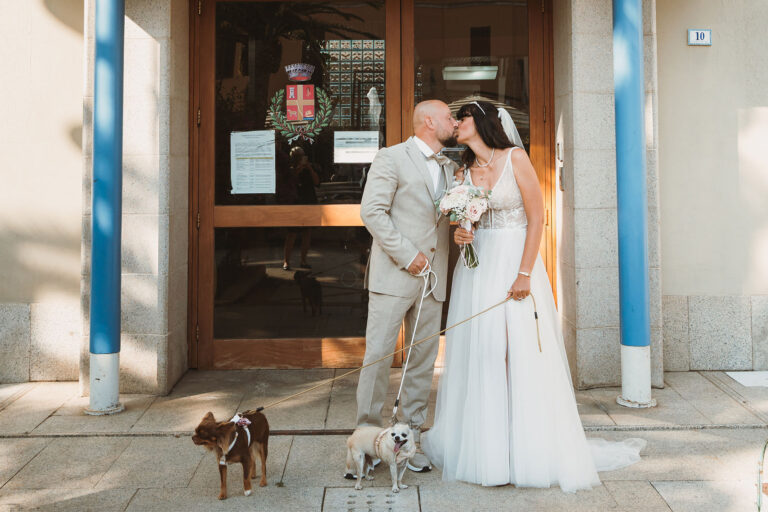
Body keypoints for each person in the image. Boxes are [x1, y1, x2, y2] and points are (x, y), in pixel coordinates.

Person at [421, 100, 645, 492]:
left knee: (518, 349)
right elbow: (466, 223)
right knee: (484, 349)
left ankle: (526, 447)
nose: (457, 123)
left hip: (515, 261)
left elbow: (537, 217)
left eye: (464, 117)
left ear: (482, 122)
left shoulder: (515, 158)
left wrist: (524, 273)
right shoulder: (463, 172)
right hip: (478, 269)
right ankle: (488, 449)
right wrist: (462, 233)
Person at [355, 100, 459, 473]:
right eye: (449, 117)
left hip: (433, 280)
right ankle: (367, 442)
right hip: (394, 275)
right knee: (378, 357)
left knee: (422, 361)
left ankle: (409, 439)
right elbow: (372, 211)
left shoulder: (451, 167)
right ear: (429, 121)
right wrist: (407, 254)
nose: (455, 122)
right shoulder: (391, 157)